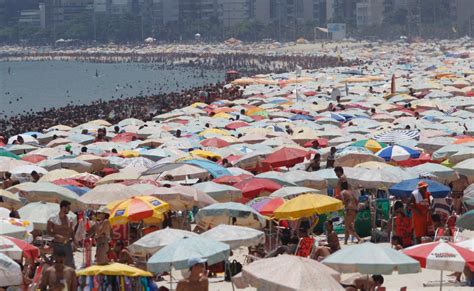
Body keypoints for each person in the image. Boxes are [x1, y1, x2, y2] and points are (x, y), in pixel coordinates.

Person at [47, 200, 76, 268]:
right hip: (57, 244)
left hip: (67, 244)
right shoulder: (53, 218)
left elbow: (71, 231)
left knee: (69, 264)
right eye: (68, 208)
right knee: (57, 264)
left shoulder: (69, 218)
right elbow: (48, 231)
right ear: (63, 208)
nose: (69, 210)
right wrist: (56, 235)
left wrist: (75, 241)